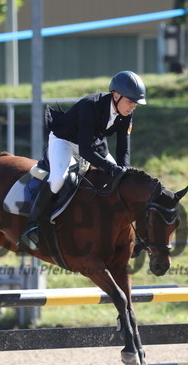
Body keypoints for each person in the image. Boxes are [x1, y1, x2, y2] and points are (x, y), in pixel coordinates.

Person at [18, 70, 147, 251]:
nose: (132, 107)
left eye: (135, 104)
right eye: (130, 102)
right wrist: (111, 168)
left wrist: (123, 171)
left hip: (93, 143)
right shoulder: (90, 105)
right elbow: (85, 151)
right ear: (116, 95)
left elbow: (123, 149)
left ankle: (125, 234)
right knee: (58, 179)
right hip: (65, 140)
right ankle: (31, 227)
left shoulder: (127, 114)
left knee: (120, 182)